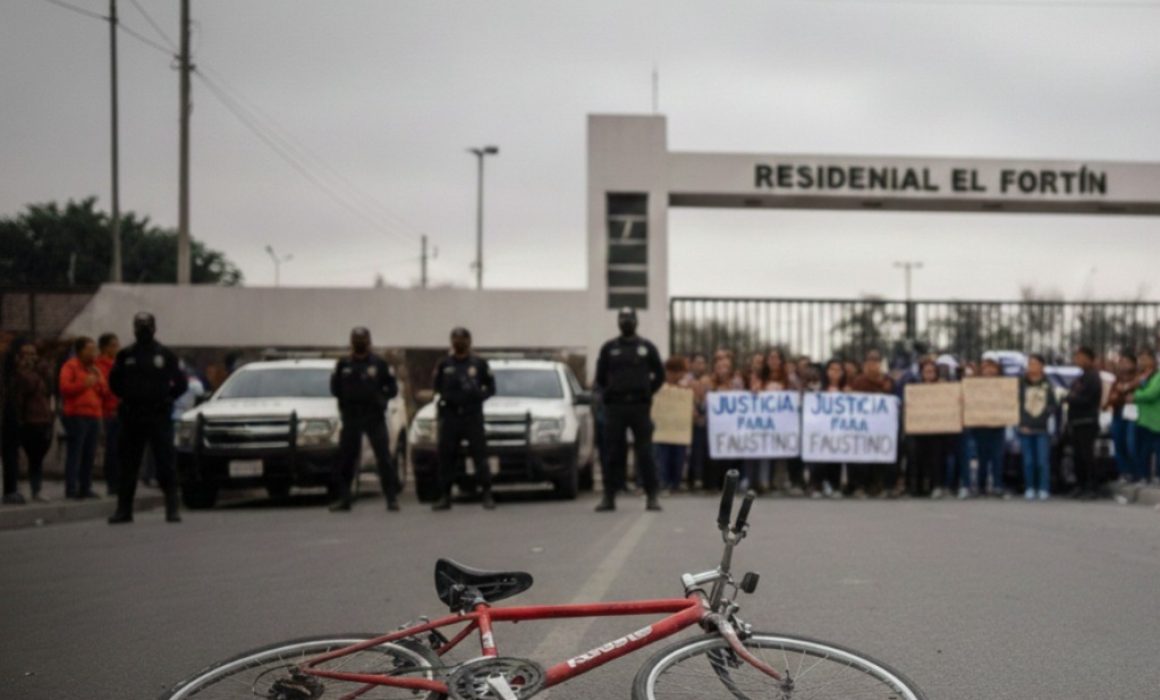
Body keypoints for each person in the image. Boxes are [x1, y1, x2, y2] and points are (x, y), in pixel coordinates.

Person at [107, 313, 188, 524]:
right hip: (133, 415)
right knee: (128, 465)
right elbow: (114, 382)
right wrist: (128, 397)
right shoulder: (126, 355)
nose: (143, 330)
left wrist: (167, 399)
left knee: (165, 463)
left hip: (158, 415)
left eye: (147, 326)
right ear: (133, 329)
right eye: (140, 326)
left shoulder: (165, 355)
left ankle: (172, 509)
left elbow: (181, 383)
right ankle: (124, 510)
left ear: (154, 328)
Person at [594, 308, 664, 512]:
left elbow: (659, 375)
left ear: (636, 322)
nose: (626, 322)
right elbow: (600, 377)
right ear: (618, 322)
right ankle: (609, 495)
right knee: (613, 452)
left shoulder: (646, 347)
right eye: (622, 319)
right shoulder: (609, 348)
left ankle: (652, 495)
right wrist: (609, 392)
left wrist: (647, 392)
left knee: (645, 452)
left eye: (629, 319)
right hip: (615, 407)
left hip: (639, 406)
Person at [328, 328, 400, 512]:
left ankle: (391, 498)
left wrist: (380, 399)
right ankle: (344, 498)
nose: (360, 342)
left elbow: (392, 388)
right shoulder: (343, 364)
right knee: (347, 458)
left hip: (373, 416)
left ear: (369, 342)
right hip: (352, 416)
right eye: (357, 339)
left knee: (383, 458)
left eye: (363, 339)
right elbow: (335, 388)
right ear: (352, 342)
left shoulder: (379, 364)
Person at [432, 327, 496, 511]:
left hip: (472, 416)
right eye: (455, 339)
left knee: (480, 456)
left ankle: (487, 494)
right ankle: (444, 496)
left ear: (469, 341)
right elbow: (437, 388)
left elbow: (491, 388)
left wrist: (478, 396)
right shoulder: (444, 364)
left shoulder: (479, 364)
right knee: (447, 457)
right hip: (451, 416)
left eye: (462, 339)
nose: (459, 342)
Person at [2, 341, 54, 503]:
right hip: (25, 420)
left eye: (33, 354)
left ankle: (36, 489)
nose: (31, 357)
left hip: (41, 419)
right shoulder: (17, 375)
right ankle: (13, 489)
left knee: (36, 458)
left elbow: (50, 390)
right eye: (26, 354)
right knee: (14, 455)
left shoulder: (41, 373)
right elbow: (20, 397)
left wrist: (43, 371)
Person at [59, 336, 107, 500]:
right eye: (90, 349)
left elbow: (104, 390)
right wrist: (83, 384)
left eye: (95, 349)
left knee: (90, 453)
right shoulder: (70, 366)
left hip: (94, 415)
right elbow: (65, 388)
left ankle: (86, 487)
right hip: (76, 415)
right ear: (80, 351)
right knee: (76, 452)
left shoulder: (94, 369)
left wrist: (98, 379)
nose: (94, 353)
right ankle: (71, 488)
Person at [848, 349, 895, 497]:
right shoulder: (858, 381)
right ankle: (860, 486)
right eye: (870, 361)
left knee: (880, 458)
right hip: (862, 429)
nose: (872, 365)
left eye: (876, 361)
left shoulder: (887, 382)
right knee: (860, 458)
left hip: (881, 429)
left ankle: (878, 486)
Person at [908, 359, 954, 499]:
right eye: (926, 371)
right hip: (919, 430)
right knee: (918, 459)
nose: (929, 374)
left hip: (937, 431)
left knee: (936, 459)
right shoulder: (915, 388)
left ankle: (936, 486)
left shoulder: (942, 387)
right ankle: (918, 487)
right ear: (922, 373)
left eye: (932, 371)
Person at [1065, 346, 1103, 499]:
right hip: (1076, 421)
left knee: (1087, 455)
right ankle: (1080, 485)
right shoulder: (1080, 377)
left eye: (1080, 356)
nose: (1077, 359)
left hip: (1087, 421)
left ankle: (1092, 486)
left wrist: (1069, 398)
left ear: (1089, 358)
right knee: (1077, 455)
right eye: (1076, 356)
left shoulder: (1093, 377)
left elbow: (1088, 399)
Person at [1019, 354, 1057, 501]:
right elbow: (1017, 404)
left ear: (1042, 366)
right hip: (1025, 427)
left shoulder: (1048, 384)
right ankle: (1030, 487)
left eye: (1035, 364)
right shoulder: (1021, 383)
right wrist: (1022, 423)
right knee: (1028, 460)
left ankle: (1043, 488)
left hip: (1042, 428)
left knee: (1042, 460)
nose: (1032, 367)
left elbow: (1053, 405)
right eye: (1030, 363)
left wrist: (1045, 418)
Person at [969, 358, 1009, 499]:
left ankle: (998, 486)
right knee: (982, 457)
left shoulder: (1004, 385)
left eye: (992, 368)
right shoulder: (975, 385)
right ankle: (980, 487)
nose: (989, 371)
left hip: (998, 426)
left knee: (998, 457)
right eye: (986, 367)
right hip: (980, 425)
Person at [808, 359, 846, 499]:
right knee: (818, 459)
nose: (835, 373)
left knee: (835, 459)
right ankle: (816, 485)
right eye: (832, 369)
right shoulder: (819, 388)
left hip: (838, 431)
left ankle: (834, 484)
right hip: (820, 430)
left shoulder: (847, 389)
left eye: (838, 370)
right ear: (827, 372)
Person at [654, 356, 691, 492]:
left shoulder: (685, 387)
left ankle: (675, 483)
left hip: (679, 430)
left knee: (678, 457)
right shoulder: (660, 386)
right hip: (663, 430)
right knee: (663, 456)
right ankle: (663, 482)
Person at [1106, 352, 1138, 483]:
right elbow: (1111, 398)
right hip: (1118, 414)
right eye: (1121, 362)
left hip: (1132, 415)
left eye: (1126, 362)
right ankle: (1123, 472)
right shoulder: (1117, 379)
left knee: (1130, 444)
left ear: (1134, 364)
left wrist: (1122, 391)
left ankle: (1134, 472)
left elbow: (1134, 395)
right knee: (1118, 444)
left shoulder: (1138, 378)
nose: (1123, 365)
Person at [95, 333, 121, 496]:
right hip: (108, 412)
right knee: (111, 449)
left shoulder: (117, 364)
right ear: (104, 347)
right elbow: (105, 389)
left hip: (120, 411)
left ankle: (119, 481)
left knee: (120, 449)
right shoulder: (100, 366)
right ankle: (112, 483)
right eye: (113, 345)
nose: (116, 348)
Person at [1130, 348, 1159, 484]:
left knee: (1157, 450)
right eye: (1140, 359)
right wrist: (1140, 382)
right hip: (1142, 419)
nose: (1141, 362)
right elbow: (1134, 388)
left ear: (1153, 360)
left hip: (1155, 420)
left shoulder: (1158, 376)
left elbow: (1151, 394)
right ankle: (1143, 476)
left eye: (1145, 359)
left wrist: (1135, 396)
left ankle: (1157, 476)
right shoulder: (1142, 376)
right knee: (1142, 450)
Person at [686, 353, 710, 491]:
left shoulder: (709, 380)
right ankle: (692, 478)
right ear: (692, 364)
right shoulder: (686, 380)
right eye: (697, 362)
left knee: (701, 450)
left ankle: (700, 479)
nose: (700, 365)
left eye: (702, 362)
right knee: (692, 451)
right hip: (689, 420)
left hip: (704, 419)